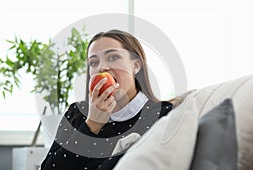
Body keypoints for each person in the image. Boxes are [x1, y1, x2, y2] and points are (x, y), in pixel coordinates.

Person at [41, 29, 173, 170]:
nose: (101, 68)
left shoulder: (163, 114)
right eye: (93, 62)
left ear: (136, 65)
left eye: (113, 57)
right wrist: (91, 125)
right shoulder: (77, 112)